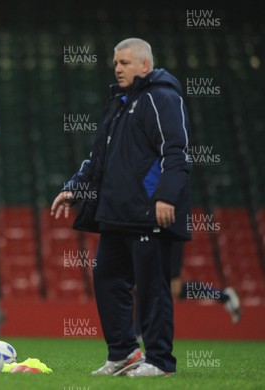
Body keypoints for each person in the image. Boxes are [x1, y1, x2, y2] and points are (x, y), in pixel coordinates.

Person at [51, 38, 191, 377]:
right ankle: (125, 352)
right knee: (107, 280)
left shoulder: (161, 97)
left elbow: (177, 151)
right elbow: (99, 160)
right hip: (116, 214)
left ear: (145, 65)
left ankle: (160, 361)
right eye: (116, 62)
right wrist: (75, 188)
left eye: (125, 62)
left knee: (152, 288)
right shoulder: (120, 103)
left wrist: (165, 196)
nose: (117, 68)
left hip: (148, 213)